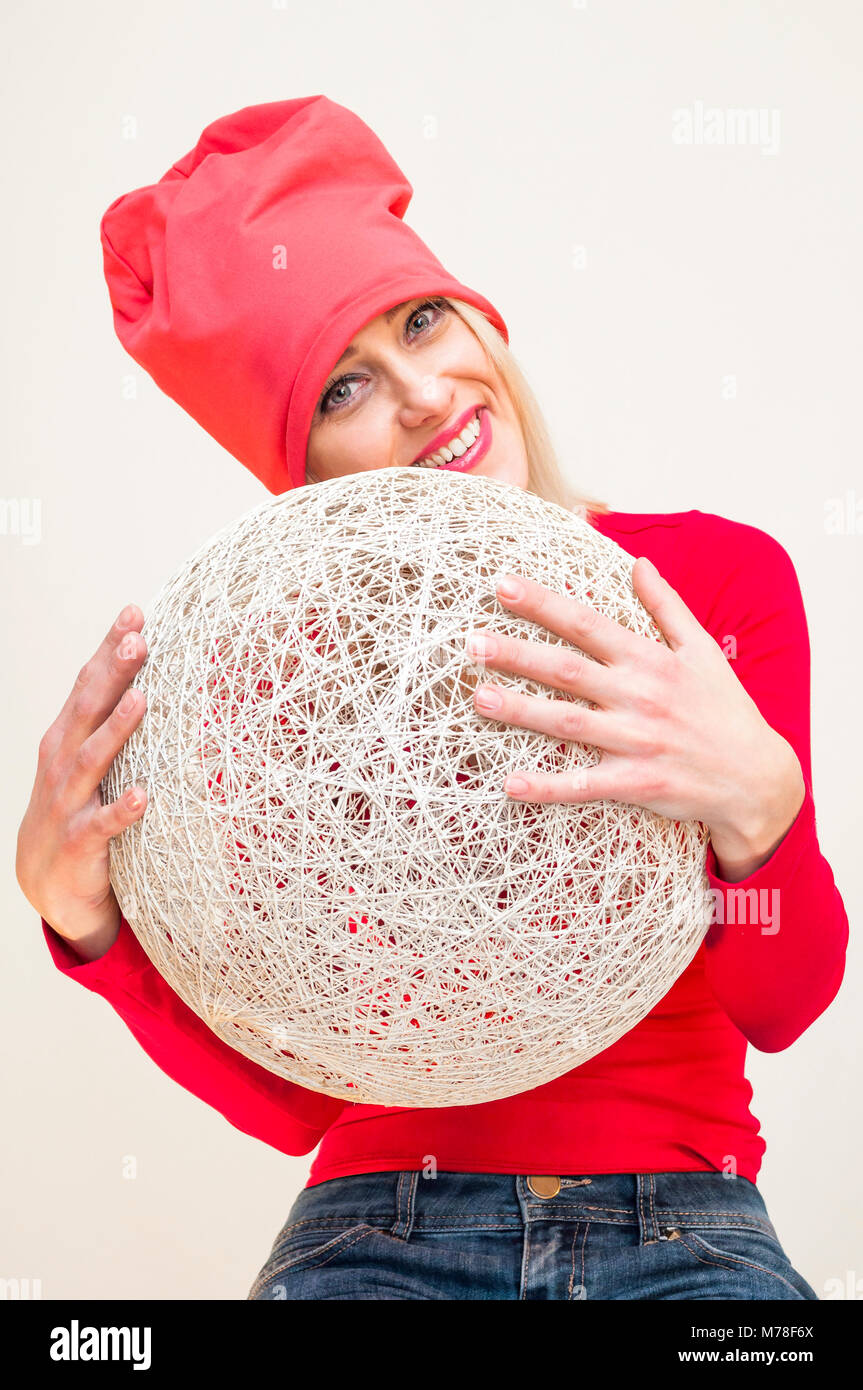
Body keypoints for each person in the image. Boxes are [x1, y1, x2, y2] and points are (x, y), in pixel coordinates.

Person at [16, 98, 847, 1301]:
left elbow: (784, 1002)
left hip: (687, 1228)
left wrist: (759, 804)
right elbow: (298, 1095)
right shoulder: (280, 693)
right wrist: (85, 924)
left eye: (420, 321)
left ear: (477, 319)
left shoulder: (710, 587)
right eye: (343, 388)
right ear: (302, 480)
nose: (420, 393)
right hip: (375, 1233)